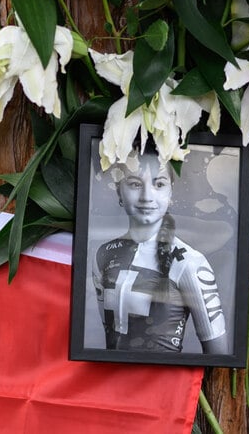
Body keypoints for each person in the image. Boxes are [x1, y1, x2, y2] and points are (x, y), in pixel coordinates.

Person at [91, 151, 229, 354]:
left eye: (159, 184)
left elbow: (219, 358)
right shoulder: (102, 254)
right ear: (119, 191)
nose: (147, 197)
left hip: (166, 385)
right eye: (135, 184)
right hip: (111, 384)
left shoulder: (191, 262)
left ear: (170, 193)